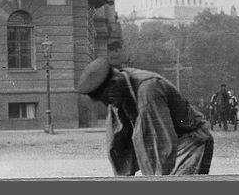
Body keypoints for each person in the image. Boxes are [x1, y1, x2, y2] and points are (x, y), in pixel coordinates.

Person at [77, 57, 213, 176]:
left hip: (191, 141)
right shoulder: (119, 92)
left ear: (114, 82)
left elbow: (159, 144)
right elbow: (117, 140)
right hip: (171, 143)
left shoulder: (149, 89)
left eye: (107, 98)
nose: (107, 103)